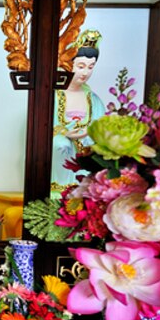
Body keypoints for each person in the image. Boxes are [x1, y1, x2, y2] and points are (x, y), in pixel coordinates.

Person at [50, 29, 105, 198]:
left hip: (85, 142)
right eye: (80, 66)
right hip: (60, 143)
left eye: (90, 67)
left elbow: (100, 125)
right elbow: (43, 124)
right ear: (68, 65)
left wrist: (88, 133)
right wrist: (64, 132)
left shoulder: (93, 99)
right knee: (62, 145)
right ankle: (59, 187)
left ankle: (86, 186)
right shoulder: (54, 96)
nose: (85, 72)